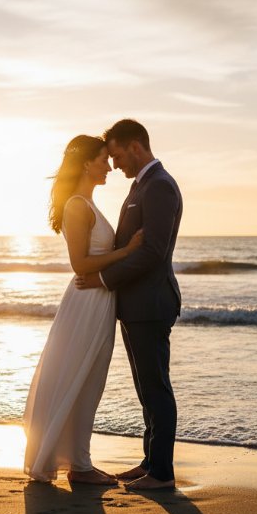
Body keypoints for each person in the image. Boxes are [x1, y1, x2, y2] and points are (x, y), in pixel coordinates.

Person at [23, 134, 143, 485]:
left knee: (90, 380)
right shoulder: (77, 205)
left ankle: (79, 462)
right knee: (81, 378)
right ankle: (80, 466)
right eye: (104, 159)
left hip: (98, 301)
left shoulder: (87, 204)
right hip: (86, 303)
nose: (109, 166)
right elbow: (80, 263)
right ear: (87, 163)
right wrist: (127, 251)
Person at [76, 119, 183, 491]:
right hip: (136, 304)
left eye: (118, 155)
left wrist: (103, 279)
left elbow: (152, 251)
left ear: (136, 146)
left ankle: (162, 474)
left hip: (151, 303)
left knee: (156, 388)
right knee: (145, 389)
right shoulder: (142, 185)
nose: (116, 163)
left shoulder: (159, 187)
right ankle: (150, 461)